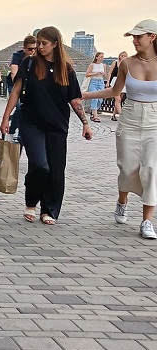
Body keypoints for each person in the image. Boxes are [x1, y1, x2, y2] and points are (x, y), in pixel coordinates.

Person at [0, 26, 92, 225]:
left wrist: (86, 124)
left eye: (44, 44)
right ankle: (31, 202)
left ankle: (48, 209)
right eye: (38, 43)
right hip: (31, 122)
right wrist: (6, 118)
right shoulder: (29, 64)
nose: (39, 48)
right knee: (40, 165)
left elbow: (75, 100)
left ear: (55, 44)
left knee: (56, 169)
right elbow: (16, 91)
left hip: (57, 125)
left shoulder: (66, 69)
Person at [83, 19, 157, 239]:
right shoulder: (126, 63)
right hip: (130, 117)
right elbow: (115, 90)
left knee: (151, 169)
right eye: (133, 37)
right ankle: (122, 201)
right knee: (127, 167)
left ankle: (147, 221)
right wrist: (85, 95)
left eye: (138, 36)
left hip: (155, 120)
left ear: (152, 36)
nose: (134, 41)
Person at [8, 36, 39, 140]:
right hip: (15, 83)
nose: (33, 51)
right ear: (24, 48)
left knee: (23, 107)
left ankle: (21, 134)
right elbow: (14, 71)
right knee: (18, 106)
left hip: (28, 85)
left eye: (35, 48)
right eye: (30, 49)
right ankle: (12, 130)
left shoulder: (38, 57)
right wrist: (18, 84)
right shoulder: (18, 55)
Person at [85, 52, 107, 122]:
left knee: (100, 99)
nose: (102, 58)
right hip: (93, 82)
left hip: (100, 82)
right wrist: (95, 73)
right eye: (100, 57)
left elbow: (105, 74)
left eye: (103, 57)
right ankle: (95, 116)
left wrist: (103, 74)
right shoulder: (92, 65)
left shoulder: (103, 65)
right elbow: (87, 74)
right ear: (97, 57)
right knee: (95, 98)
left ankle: (93, 111)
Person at [107, 51, 128, 120]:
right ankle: (122, 116)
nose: (123, 57)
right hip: (115, 81)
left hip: (123, 82)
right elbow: (110, 73)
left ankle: (113, 115)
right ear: (119, 56)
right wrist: (108, 82)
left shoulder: (127, 64)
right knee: (118, 99)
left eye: (125, 56)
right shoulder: (115, 63)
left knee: (119, 100)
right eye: (122, 55)